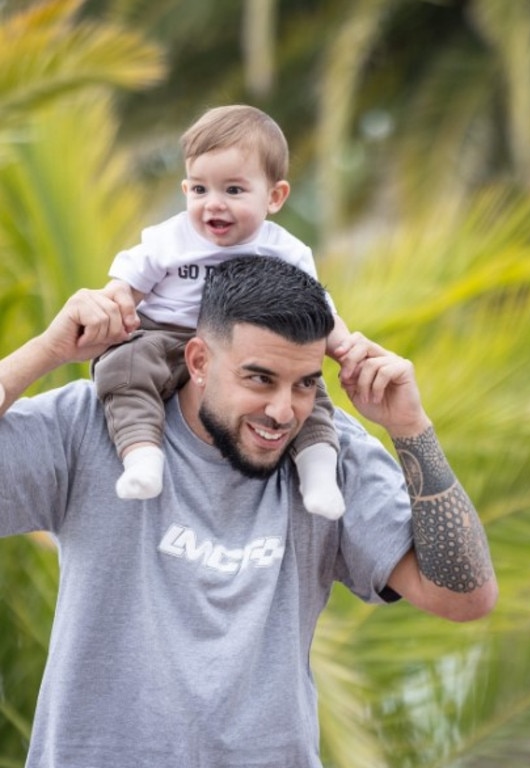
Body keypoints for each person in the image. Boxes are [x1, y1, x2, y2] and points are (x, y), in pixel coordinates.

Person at [0, 255, 497, 767]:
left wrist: (411, 427)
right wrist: (45, 352)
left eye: (305, 383)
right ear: (198, 361)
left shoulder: (330, 455)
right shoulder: (88, 424)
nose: (284, 411)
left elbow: (464, 597)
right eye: (260, 379)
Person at [94, 103, 349, 518]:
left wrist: (346, 347)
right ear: (185, 191)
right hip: (165, 336)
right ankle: (141, 453)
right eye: (200, 190)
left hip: (250, 355)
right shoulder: (169, 239)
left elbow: (319, 312)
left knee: (308, 390)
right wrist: (114, 304)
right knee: (123, 368)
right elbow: (126, 285)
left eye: (233, 190)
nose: (214, 204)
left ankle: (319, 474)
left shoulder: (284, 250)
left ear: (275, 197)